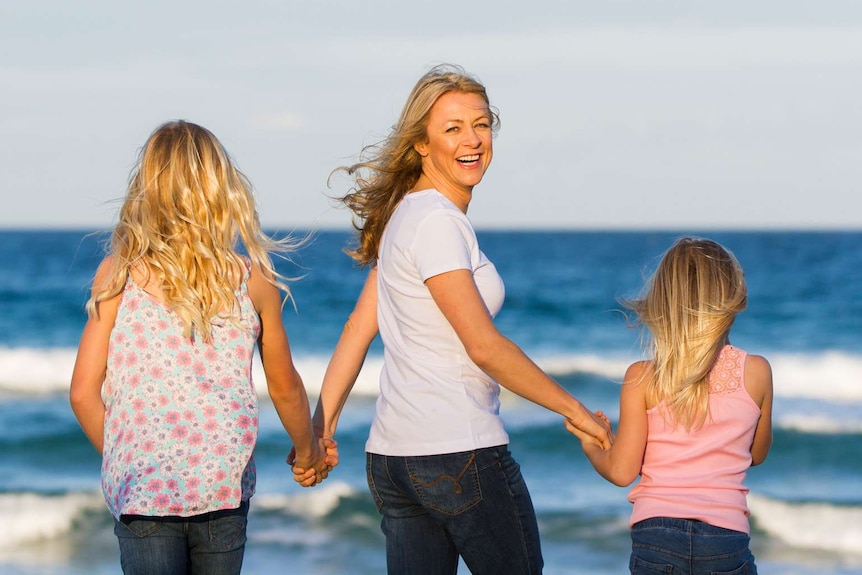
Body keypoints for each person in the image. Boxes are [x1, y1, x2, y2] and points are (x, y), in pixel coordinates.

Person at [294, 64, 613, 575]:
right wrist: (571, 409)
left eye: (481, 125)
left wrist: (320, 428)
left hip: (394, 460)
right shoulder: (438, 223)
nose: (472, 140)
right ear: (421, 143)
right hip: (457, 452)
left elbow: (358, 327)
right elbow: (483, 345)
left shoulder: (406, 215)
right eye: (453, 128)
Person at [69, 120, 335, 575]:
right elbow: (285, 387)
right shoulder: (252, 281)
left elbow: (82, 393)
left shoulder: (117, 275)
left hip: (143, 490)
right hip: (221, 487)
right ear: (222, 191)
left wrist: (125, 454)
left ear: (145, 191)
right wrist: (309, 452)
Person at [567, 237, 774, 575]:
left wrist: (594, 444)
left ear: (661, 304)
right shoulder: (757, 371)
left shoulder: (641, 377)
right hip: (725, 538)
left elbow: (621, 472)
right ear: (735, 300)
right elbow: (757, 453)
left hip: (657, 536)